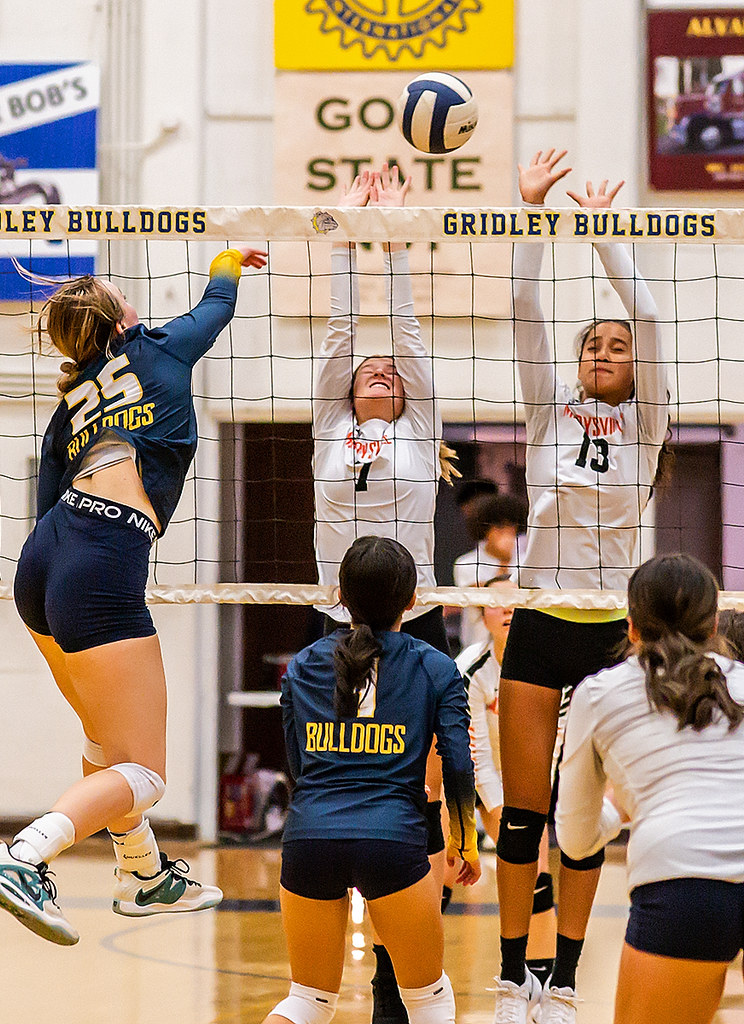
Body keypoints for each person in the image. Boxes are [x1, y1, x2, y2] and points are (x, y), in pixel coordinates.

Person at [0, 245, 268, 945]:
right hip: (102, 559)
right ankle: (23, 858)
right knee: (146, 772)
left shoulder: (69, 405)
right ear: (120, 319)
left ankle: (144, 874)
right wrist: (226, 256)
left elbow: (45, 504)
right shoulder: (159, 349)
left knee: (107, 745)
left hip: (42, 564)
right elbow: (218, 305)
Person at [491, 150, 670, 1024]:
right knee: (522, 814)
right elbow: (524, 309)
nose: (603, 350)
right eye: (591, 344)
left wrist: (603, 232)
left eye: (615, 347)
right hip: (538, 619)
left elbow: (648, 311)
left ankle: (562, 980)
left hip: (608, 630)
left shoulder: (649, 421)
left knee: (581, 820)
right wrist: (531, 212)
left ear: (636, 367)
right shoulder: (546, 408)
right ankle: (510, 972)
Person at [312, 163, 458, 1019]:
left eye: (391, 373)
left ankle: (397, 983)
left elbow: (397, 331)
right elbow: (340, 332)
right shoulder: (329, 429)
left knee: (412, 792)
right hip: (335, 628)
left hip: (417, 631)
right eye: (366, 370)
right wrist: (339, 229)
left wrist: (395, 240)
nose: (377, 370)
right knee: (336, 789)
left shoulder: (418, 429)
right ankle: (317, 973)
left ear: (407, 396)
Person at [265, 535, 480, 1024]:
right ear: (413, 600)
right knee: (429, 1000)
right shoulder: (436, 667)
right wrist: (465, 842)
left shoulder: (302, 665)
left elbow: (297, 767)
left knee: (307, 1002)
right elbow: (458, 764)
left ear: (338, 597)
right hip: (391, 840)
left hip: (309, 838)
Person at [555, 553, 744, 1024]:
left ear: (631, 625)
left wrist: (617, 811)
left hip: (684, 880)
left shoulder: (599, 694)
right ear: (715, 621)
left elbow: (575, 840)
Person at [452, 576, 557, 989]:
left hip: (529, 780)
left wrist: (527, 805)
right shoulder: (468, 669)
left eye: (516, 602)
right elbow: (473, 753)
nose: (508, 610)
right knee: (445, 867)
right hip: (473, 782)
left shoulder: (548, 668)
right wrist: (497, 808)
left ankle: (544, 984)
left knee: (537, 868)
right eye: (497, 603)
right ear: (481, 613)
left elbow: (554, 745)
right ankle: (405, 982)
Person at [452, 492, 527, 648]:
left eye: (511, 525)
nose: (507, 531)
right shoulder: (466, 563)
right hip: (478, 646)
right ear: (485, 529)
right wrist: (504, 559)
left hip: (518, 645)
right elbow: (490, 602)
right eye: (499, 526)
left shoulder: (526, 561)